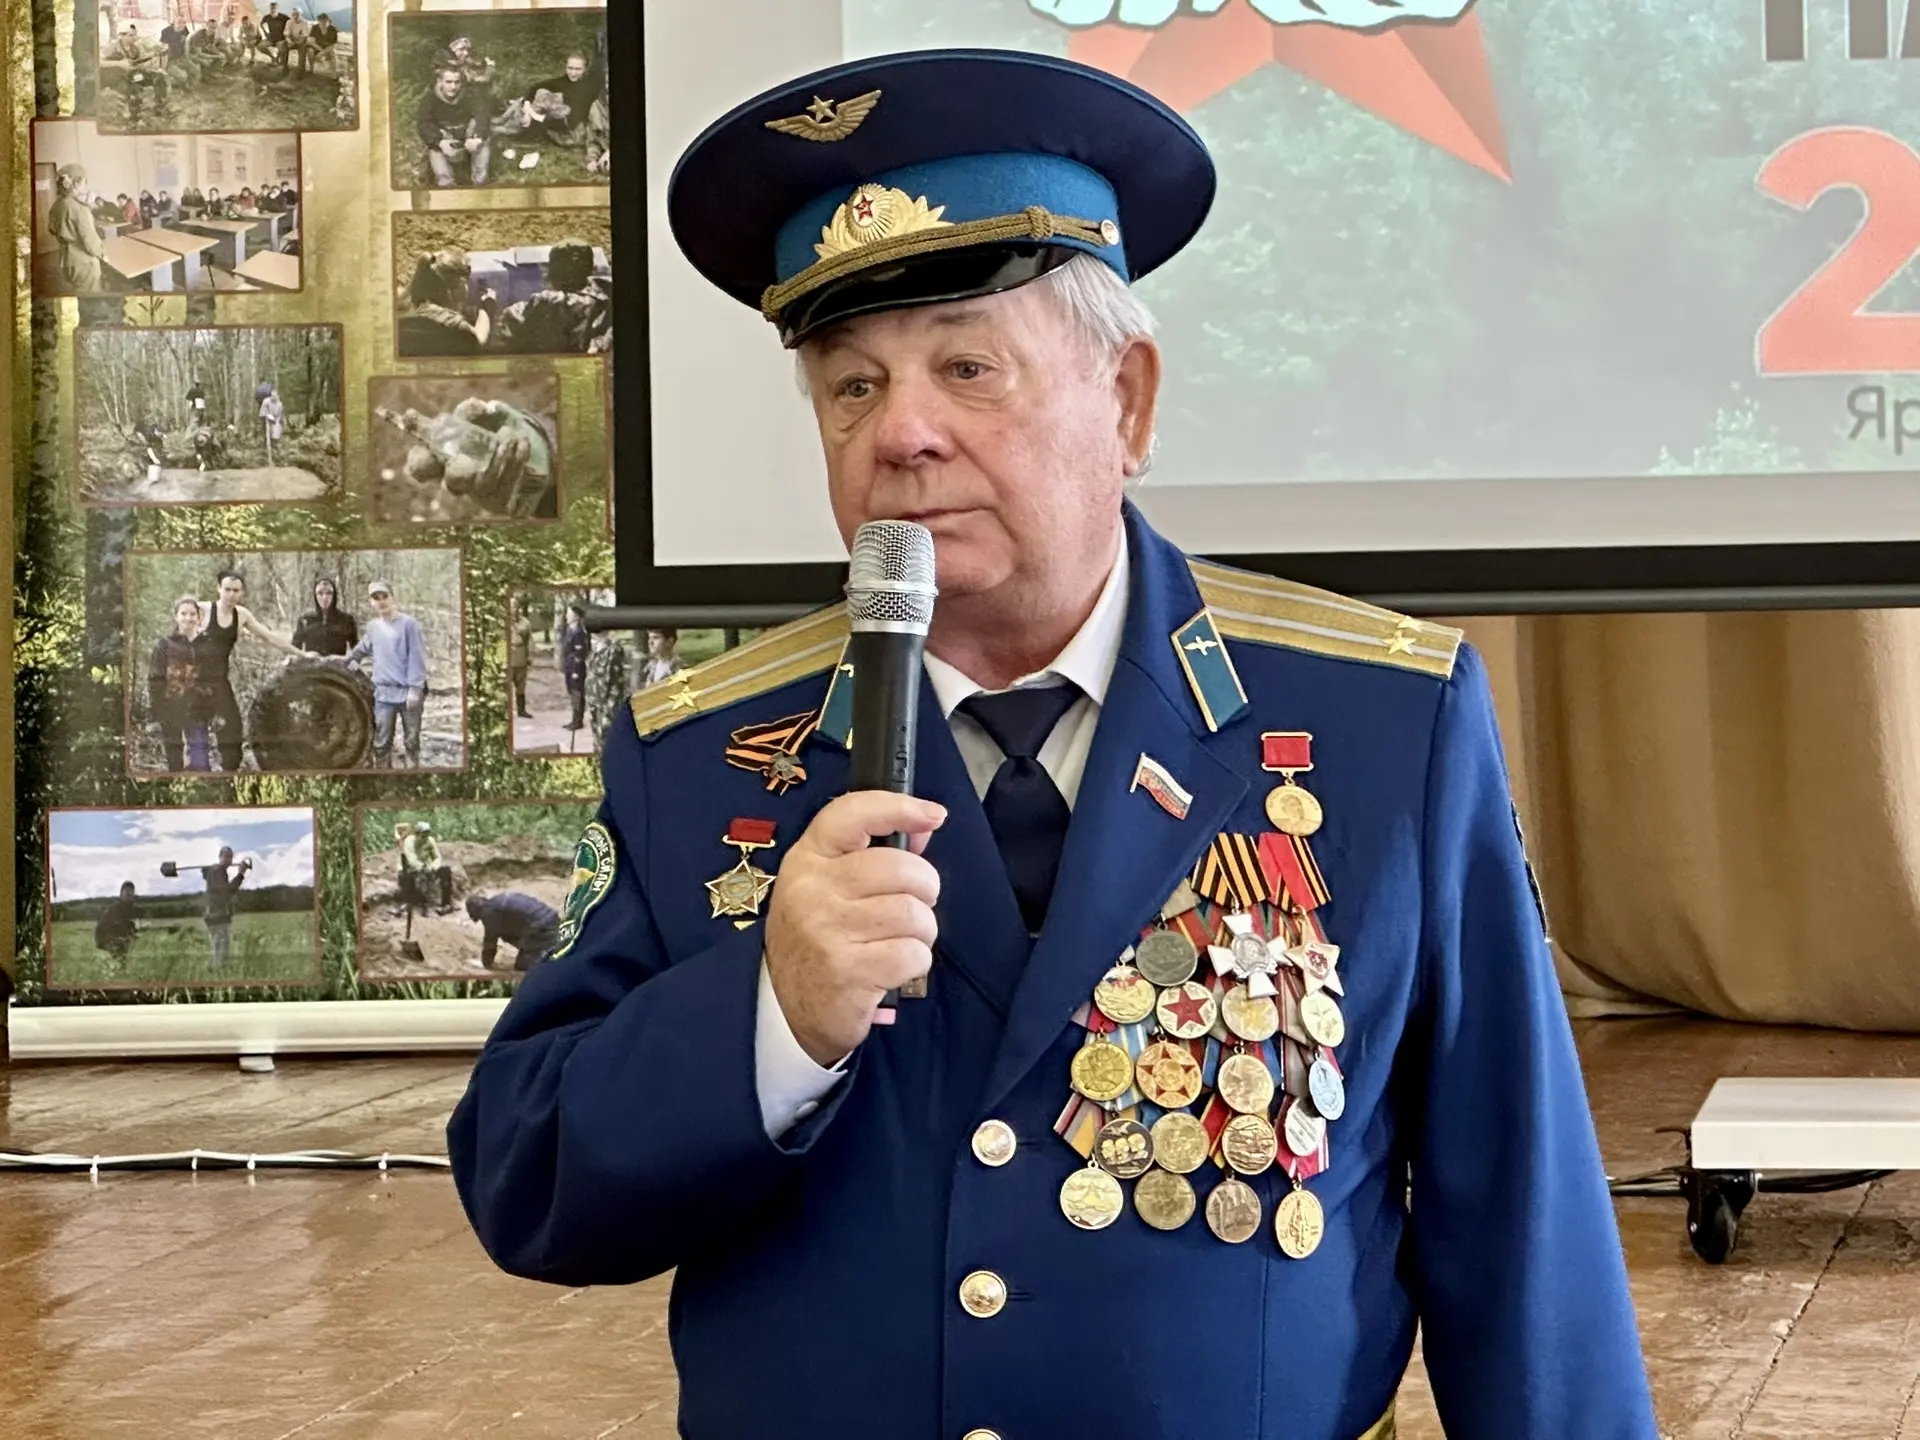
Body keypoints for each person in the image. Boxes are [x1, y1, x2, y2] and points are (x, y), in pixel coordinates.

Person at [447, 50, 1659, 1440]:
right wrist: (771, 1015)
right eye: (850, 387)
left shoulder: (1386, 723)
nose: (902, 433)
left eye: (968, 367)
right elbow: (528, 1180)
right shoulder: (699, 758)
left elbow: (1520, 1222)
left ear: (1127, 401)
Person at [197, 569, 302, 772]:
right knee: (195, 733)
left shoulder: (242, 615)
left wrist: (301, 654)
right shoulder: (203, 609)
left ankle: (227, 775)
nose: (231, 595)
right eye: (227, 589)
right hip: (194, 680)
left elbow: (269, 637)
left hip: (219, 680)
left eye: (236, 590)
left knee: (232, 730)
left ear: (242, 592)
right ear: (219, 589)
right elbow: (177, 636)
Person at [346, 579, 429, 769]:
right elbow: (363, 648)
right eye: (376, 598)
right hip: (383, 694)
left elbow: (417, 656)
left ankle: (412, 773)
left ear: (392, 598)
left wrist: (415, 688)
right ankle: (384, 775)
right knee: (382, 742)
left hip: (408, 693)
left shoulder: (409, 625)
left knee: (411, 740)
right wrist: (353, 659)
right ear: (371, 603)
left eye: (385, 596)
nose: (381, 601)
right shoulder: (373, 627)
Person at [493, 239, 608, 354]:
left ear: (552, 274)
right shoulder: (605, 301)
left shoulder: (546, 301)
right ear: (592, 270)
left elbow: (504, 337)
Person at [148, 595, 212, 771]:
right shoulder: (164, 644)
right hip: (171, 707)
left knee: (200, 757)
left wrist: (214, 707)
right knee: (174, 756)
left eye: (192, 614)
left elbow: (214, 678)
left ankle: (200, 783)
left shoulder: (206, 645)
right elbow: (155, 679)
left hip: (198, 708)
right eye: (183, 613)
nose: (188, 618)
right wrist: (156, 712)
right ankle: (176, 781)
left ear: (199, 617)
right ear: (176, 616)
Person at [398, 250, 494, 357]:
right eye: (465, 283)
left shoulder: (401, 303)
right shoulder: (450, 323)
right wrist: (486, 309)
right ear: (456, 287)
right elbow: (479, 339)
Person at [418, 66, 490, 188]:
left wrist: (477, 137)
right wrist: (439, 142)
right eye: (448, 82)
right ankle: (446, 185)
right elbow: (423, 124)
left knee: (483, 141)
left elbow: (482, 114)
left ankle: (480, 183)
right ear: (440, 82)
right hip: (445, 138)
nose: (453, 87)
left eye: (457, 82)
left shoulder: (469, 95)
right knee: (435, 151)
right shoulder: (430, 98)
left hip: (467, 135)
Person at [465, 892, 560, 974]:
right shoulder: (497, 902)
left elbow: (490, 943)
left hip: (542, 927)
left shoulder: (489, 913)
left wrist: (486, 964)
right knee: (509, 937)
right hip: (551, 920)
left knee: (522, 965)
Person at [48, 165, 106, 294]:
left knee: (77, 294)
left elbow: (51, 229)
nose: (86, 184)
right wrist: (103, 253)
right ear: (75, 182)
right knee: (90, 298)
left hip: (66, 259)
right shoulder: (80, 209)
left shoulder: (57, 205)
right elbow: (92, 245)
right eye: (85, 180)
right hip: (84, 263)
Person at [201, 847, 250, 970]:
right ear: (220, 857)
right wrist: (240, 874)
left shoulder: (216, 871)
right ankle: (218, 971)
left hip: (216, 914)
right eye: (226, 857)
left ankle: (218, 970)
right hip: (217, 915)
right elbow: (227, 892)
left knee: (219, 945)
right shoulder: (218, 871)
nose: (229, 860)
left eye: (230, 857)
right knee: (220, 947)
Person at [292, 576, 357, 657]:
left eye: (329, 593)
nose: (324, 597)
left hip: (337, 664)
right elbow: (294, 649)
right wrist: (304, 655)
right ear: (315, 595)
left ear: (334, 595)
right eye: (320, 593)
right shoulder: (305, 620)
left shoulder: (346, 620)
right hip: (313, 664)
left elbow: (357, 649)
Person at [400, 821, 454, 915]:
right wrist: (421, 867)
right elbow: (411, 858)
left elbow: (437, 857)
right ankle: (409, 902)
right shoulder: (409, 841)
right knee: (405, 875)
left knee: (446, 871)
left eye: (427, 835)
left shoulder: (430, 840)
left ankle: (446, 904)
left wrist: (433, 866)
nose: (425, 838)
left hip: (428, 867)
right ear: (417, 834)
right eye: (423, 836)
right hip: (413, 868)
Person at [94, 882, 139, 969]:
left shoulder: (131, 908)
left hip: (118, 938)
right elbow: (113, 926)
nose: (129, 897)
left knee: (122, 957)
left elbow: (132, 925)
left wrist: (133, 932)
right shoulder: (116, 909)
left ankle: (120, 968)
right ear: (121, 895)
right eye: (127, 894)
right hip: (107, 938)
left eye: (131, 894)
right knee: (119, 958)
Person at [559, 603, 589, 732]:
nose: (567, 616)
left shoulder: (578, 633)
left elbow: (579, 654)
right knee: (572, 693)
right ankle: (574, 719)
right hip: (569, 667)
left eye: (569, 614)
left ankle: (578, 721)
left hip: (575, 669)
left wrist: (576, 671)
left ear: (576, 616)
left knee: (577, 694)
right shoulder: (570, 630)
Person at [507, 598, 533, 720]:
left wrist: (529, 656)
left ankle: (521, 710)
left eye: (515, 606)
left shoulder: (525, 623)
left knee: (521, 685)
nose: (514, 609)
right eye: (511, 606)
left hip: (521, 654)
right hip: (509, 655)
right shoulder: (504, 622)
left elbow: (529, 641)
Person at [259, 383, 285, 461]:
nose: (273, 397)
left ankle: (276, 454)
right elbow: (262, 412)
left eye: (275, 396)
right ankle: (265, 455)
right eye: (272, 396)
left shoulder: (279, 404)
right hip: (266, 421)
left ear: (278, 396)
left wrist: (277, 422)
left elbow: (280, 415)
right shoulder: (266, 401)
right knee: (266, 437)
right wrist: (267, 415)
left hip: (275, 422)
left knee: (276, 437)